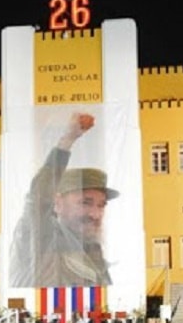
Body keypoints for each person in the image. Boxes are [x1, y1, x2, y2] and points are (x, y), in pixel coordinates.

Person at [9, 112, 119, 289]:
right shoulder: (42, 235)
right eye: (85, 202)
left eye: (101, 205)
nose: (95, 214)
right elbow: (38, 198)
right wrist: (66, 142)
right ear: (58, 203)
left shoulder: (93, 252)